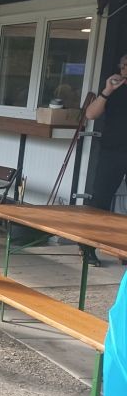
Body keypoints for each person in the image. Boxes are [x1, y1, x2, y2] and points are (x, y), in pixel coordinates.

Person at [81, 53, 127, 267]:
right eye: (124, 65)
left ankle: (123, 249)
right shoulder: (113, 89)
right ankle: (88, 247)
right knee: (100, 199)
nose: (125, 69)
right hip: (112, 151)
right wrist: (107, 90)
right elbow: (91, 114)